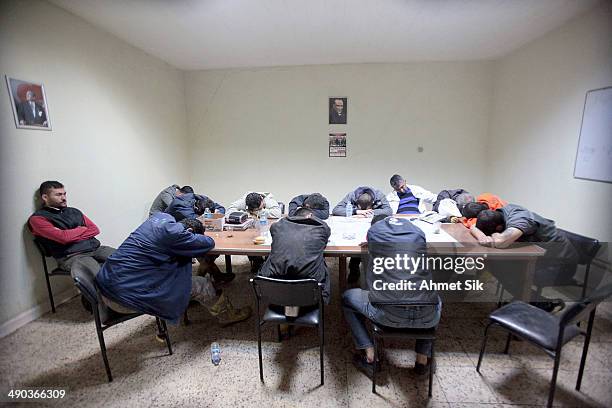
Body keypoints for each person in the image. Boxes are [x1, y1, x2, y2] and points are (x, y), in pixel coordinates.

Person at [96, 214, 251, 325]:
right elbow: (208, 243)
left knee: (178, 270)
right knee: (202, 284)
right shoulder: (175, 234)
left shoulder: (157, 220)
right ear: (189, 232)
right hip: (126, 298)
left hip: (108, 288)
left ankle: (186, 299)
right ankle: (227, 316)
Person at [342, 215, 440, 378]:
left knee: (347, 297)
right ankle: (422, 361)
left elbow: (371, 238)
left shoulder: (374, 231)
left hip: (388, 315)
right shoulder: (418, 233)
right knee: (432, 297)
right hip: (427, 317)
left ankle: (370, 357)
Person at [470, 204, 579, 312]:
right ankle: (528, 299)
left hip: (560, 267)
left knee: (502, 268)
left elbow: (500, 243)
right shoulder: (501, 213)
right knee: (496, 264)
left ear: (498, 228)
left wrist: (494, 237)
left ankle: (539, 303)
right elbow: (473, 226)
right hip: (543, 258)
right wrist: (482, 236)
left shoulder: (521, 220)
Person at [28, 181, 115, 310]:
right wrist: (81, 229)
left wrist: (70, 235)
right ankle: (106, 307)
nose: (63, 198)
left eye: (64, 193)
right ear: (45, 197)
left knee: (124, 258)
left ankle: (130, 293)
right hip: (72, 256)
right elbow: (63, 238)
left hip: (95, 248)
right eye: (58, 194)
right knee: (94, 271)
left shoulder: (74, 211)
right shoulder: (37, 219)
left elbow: (94, 229)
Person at [258, 207, 332, 303]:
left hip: (272, 280)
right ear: (310, 216)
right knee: (322, 263)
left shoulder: (277, 226)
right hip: (311, 284)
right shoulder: (322, 228)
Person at [164, 194, 234, 283]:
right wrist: (209, 218)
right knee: (202, 250)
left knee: (207, 254)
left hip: (186, 226)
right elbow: (197, 223)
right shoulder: (183, 209)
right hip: (172, 232)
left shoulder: (203, 200)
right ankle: (200, 281)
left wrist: (217, 212)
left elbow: (220, 207)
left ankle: (216, 276)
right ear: (196, 209)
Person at [332, 186, 392, 283]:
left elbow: (388, 211)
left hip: (373, 225)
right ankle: (354, 267)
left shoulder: (379, 195)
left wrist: (371, 212)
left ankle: (376, 271)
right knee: (357, 243)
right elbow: (336, 210)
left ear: (373, 202)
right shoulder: (351, 195)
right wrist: (357, 211)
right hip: (356, 226)